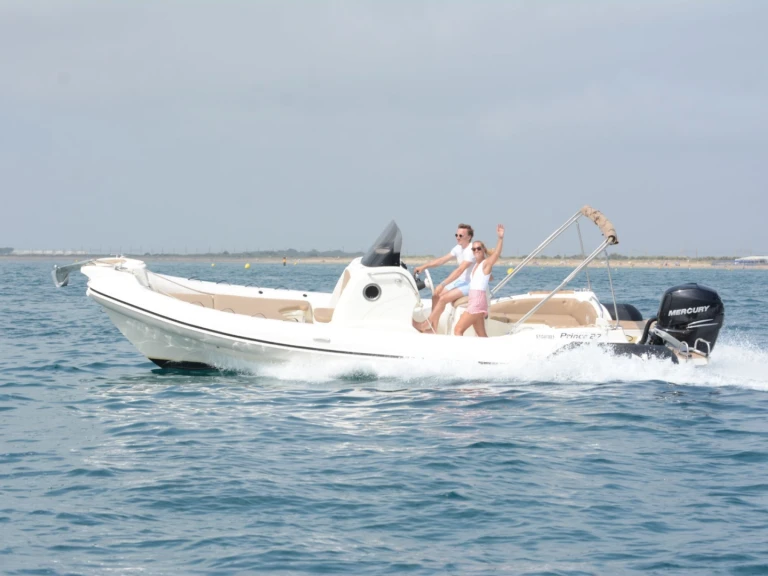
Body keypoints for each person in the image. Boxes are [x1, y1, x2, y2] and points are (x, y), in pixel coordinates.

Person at [414, 223, 475, 333]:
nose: (457, 237)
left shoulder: (471, 250)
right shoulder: (458, 248)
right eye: (456, 235)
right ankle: (434, 329)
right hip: (461, 282)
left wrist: (443, 284)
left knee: (442, 298)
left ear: (469, 237)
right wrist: (424, 266)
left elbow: (459, 270)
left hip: (471, 284)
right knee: (435, 295)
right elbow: (442, 260)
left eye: (461, 236)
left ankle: (425, 324)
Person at [454, 224, 504, 337]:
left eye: (478, 248)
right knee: (481, 335)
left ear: (483, 250)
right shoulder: (476, 266)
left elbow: (496, 254)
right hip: (475, 301)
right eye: (474, 249)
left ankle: (461, 353)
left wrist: (500, 238)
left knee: (458, 330)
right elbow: (484, 279)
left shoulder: (485, 263)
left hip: (477, 303)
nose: (476, 250)